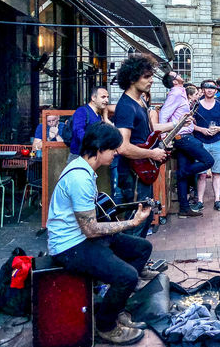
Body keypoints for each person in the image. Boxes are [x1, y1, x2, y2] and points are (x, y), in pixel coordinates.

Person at [47, 122, 152, 345]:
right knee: (127, 276)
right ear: (99, 149)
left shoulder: (86, 170)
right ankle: (106, 326)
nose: (116, 153)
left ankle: (117, 306)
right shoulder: (80, 178)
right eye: (113, 149)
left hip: (83, 237)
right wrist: (132, 222)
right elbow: (91, 229)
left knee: (142, 248)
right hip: (69, 247)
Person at [113, 55, 168, 207]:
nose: (151, 80)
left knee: (145, 217)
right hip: (132, 172)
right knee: (136, 222)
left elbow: (150, 131)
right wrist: (152, 153)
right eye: (146, 77)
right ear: (132, 79)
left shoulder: (140, 101)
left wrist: (178, 123)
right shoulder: (126, 106)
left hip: (142, 170)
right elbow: (123, 147)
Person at [160, 72, 213, 218]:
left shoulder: (181, 92)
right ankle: (181, 174)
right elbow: (164, 114)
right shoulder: (175, 93)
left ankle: (184, 208)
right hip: (182, 137)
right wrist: (165, 137)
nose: (179, 74)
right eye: (176, 74)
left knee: (184, 171)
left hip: (184, 135)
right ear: (174, 81)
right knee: (209, 161)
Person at [191, 80, 220, 212]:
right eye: (207, 87)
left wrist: (219, 129)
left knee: (217, 173)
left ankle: (217, 200)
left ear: (216, 90)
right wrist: (201, 130)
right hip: (201, 143)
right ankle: (200, 201)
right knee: (201, 174)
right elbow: (189, 124)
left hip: (218, 142)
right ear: (203, 90)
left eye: (212, 88)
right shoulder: (196, 106)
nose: (210, 90)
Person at [67, 86, 109, 163]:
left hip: (91, 156)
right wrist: (92, 144)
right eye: (103, 97)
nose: (107, 100)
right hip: (78, 156)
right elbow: (78, 131)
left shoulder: (98, 116)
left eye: (107, 97)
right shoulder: (82, 111)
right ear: (93, 98)